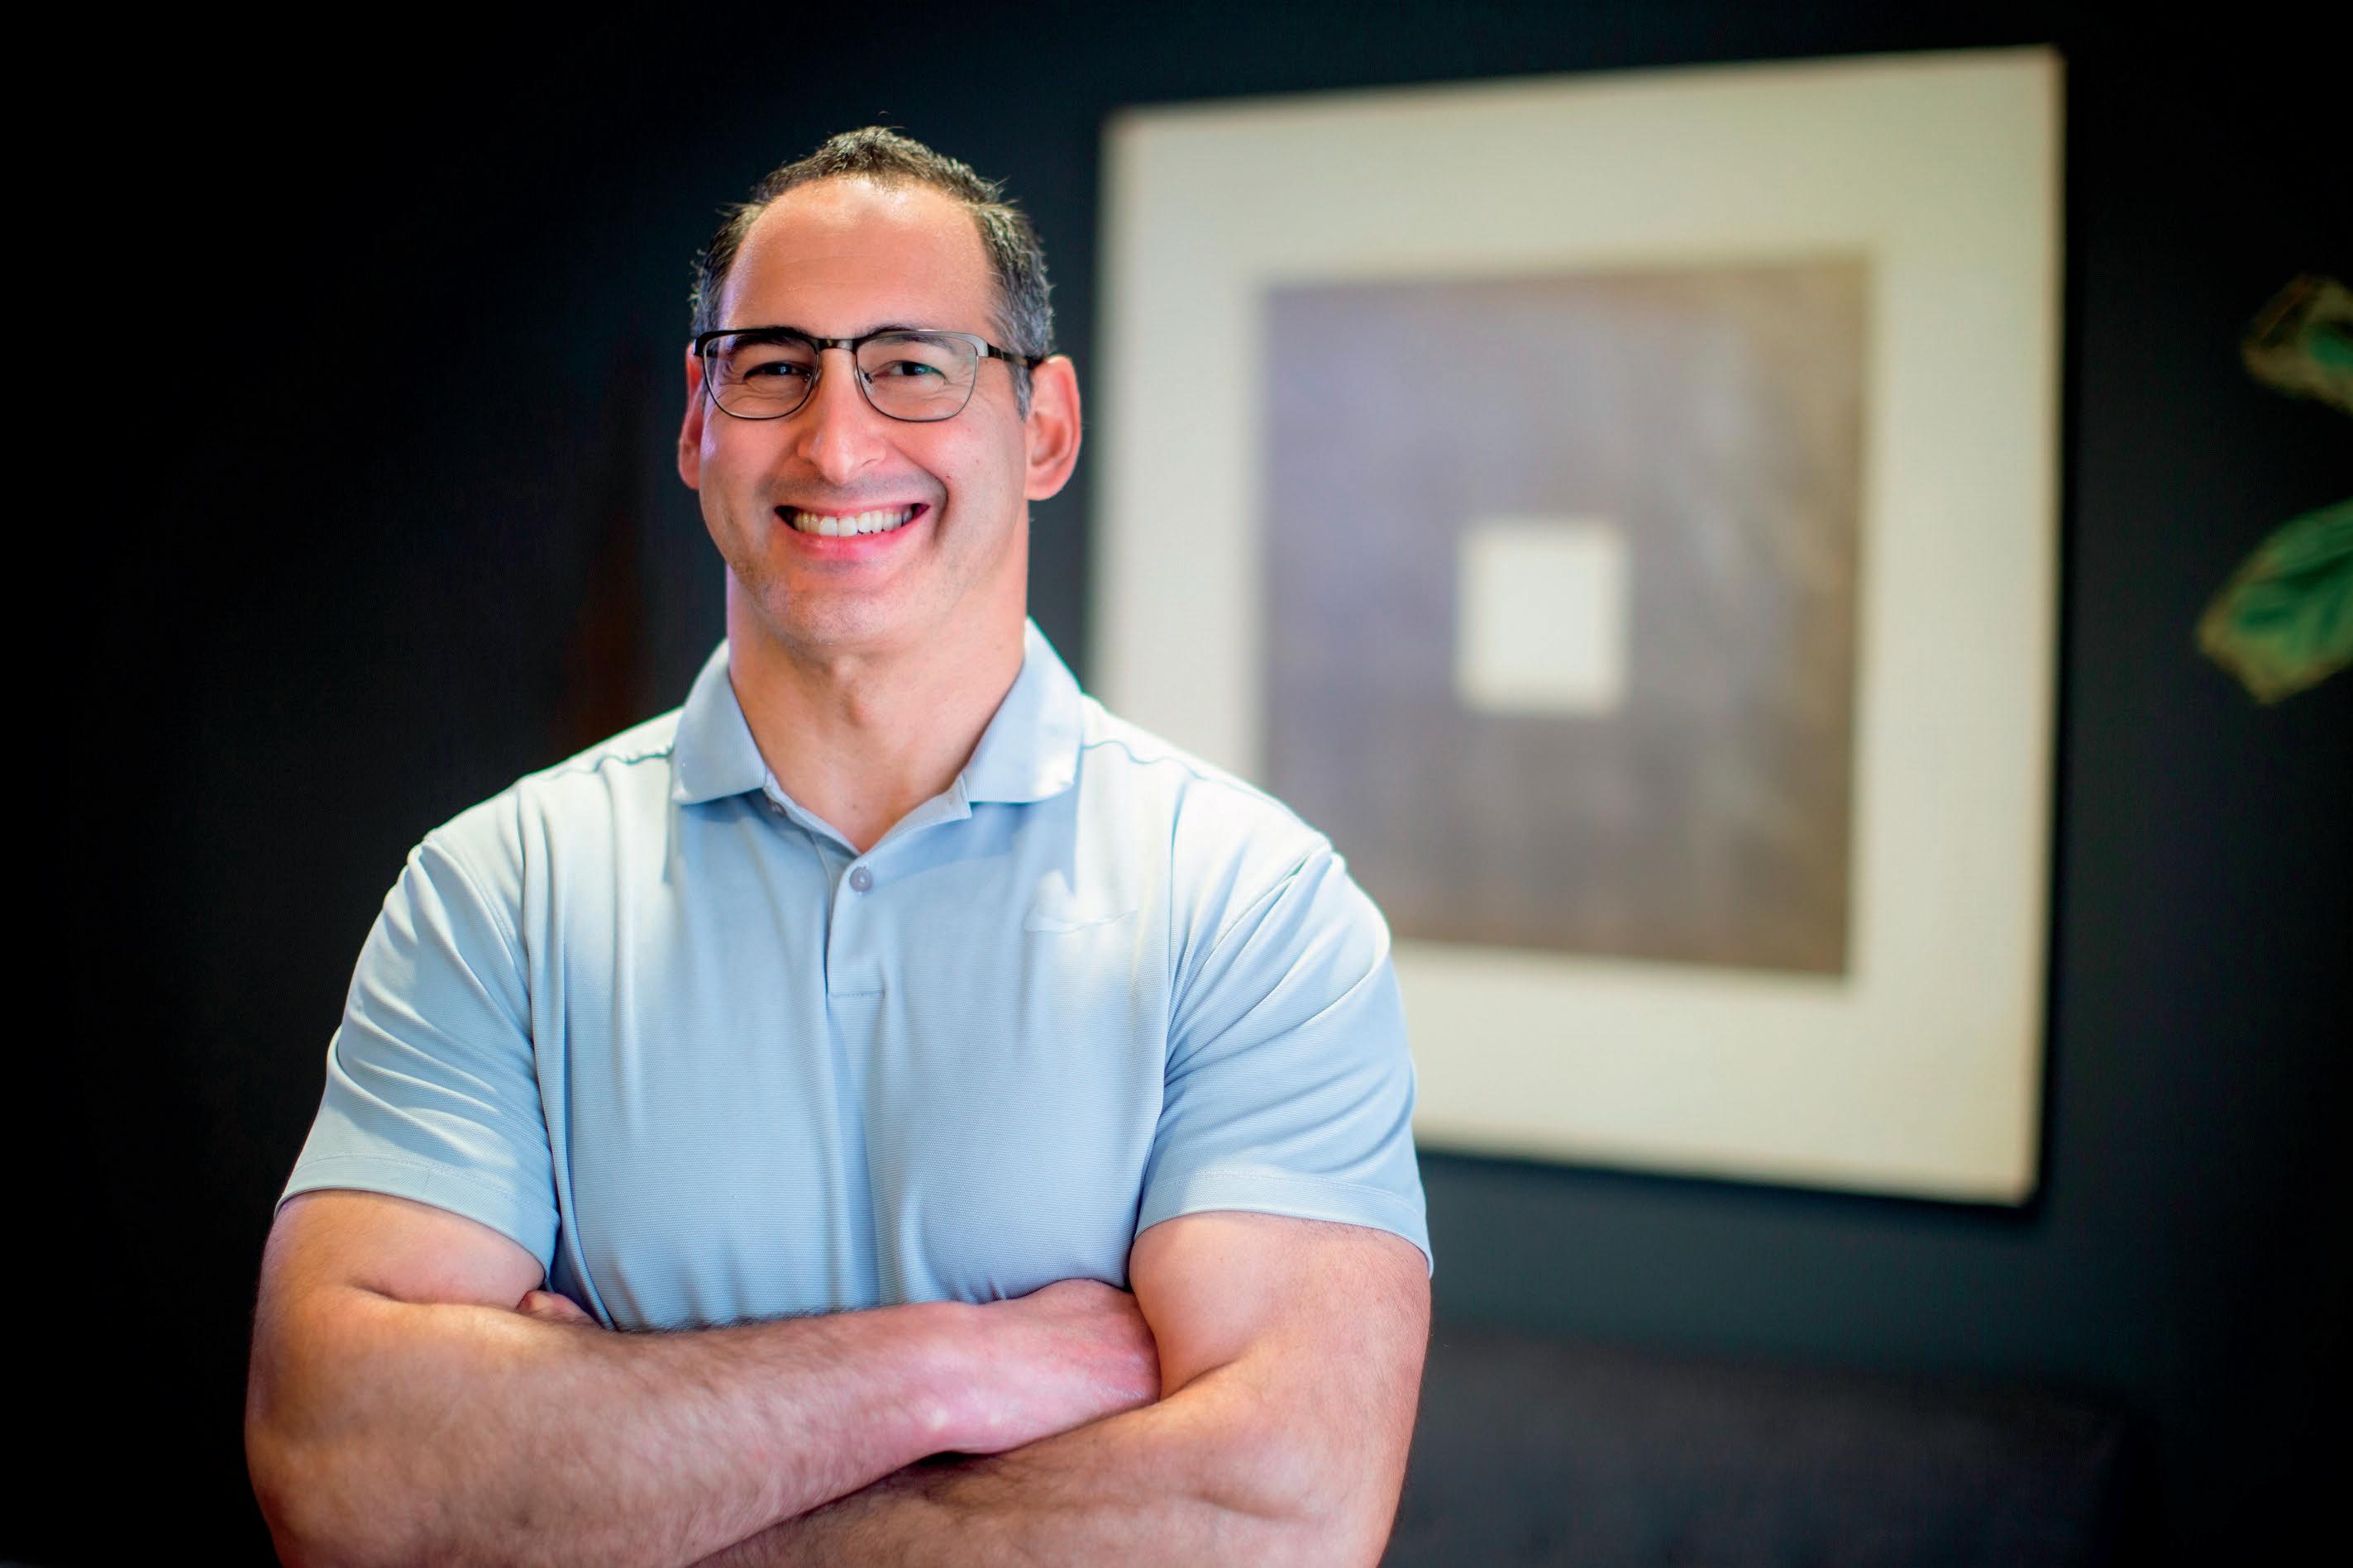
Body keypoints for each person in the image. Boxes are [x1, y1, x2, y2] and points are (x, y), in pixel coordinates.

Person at [246, 126, 1432, 1566]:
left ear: (1043, 428)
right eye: (773, 367)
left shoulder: (1254, 906)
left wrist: (614, 1492)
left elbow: (1282, 1515)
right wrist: (947, 1371)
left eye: (914, 366)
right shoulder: (495, 894)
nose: (837, 441)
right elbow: (342, 1471)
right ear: (699, 423)